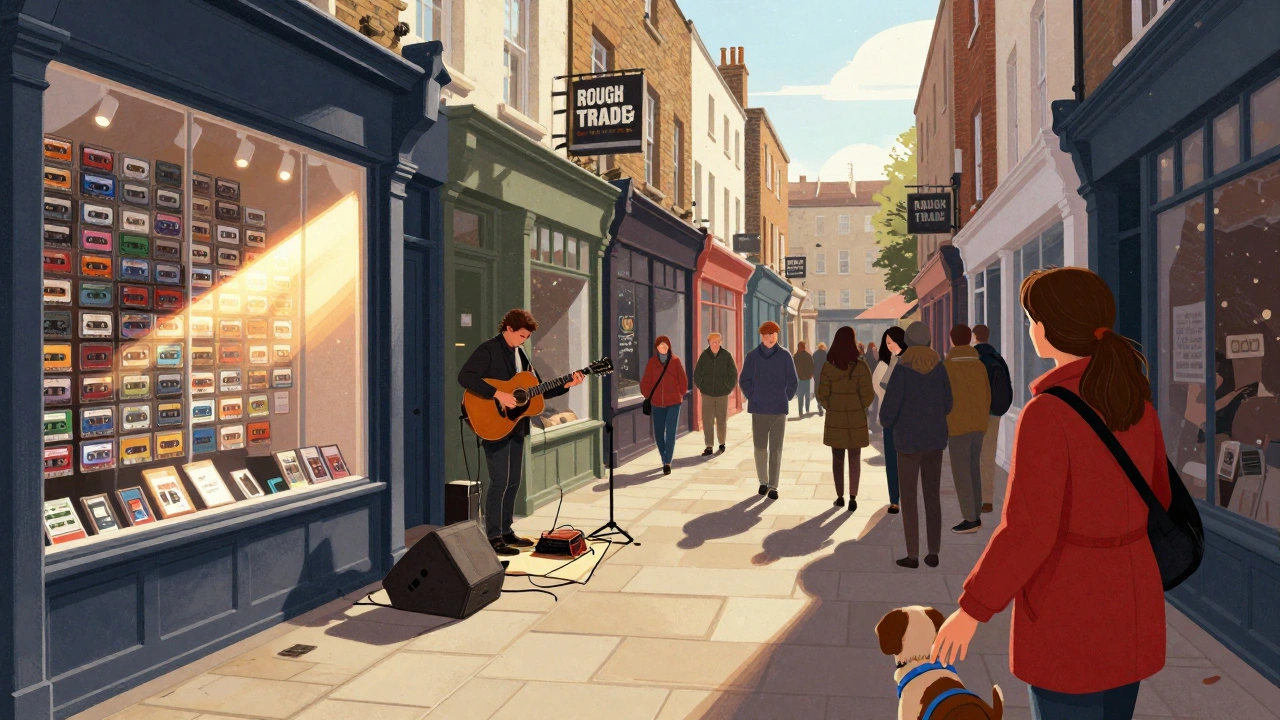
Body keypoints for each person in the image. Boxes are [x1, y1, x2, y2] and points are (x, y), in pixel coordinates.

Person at [931, 267, 1172, 720]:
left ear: (1047, 328)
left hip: (1071, 609)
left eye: (1030, 318)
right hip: (1132, 603)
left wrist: (973, 609)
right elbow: (1158, 495)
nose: (1030, 328)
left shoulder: (1047, 412)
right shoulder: (1137, 403)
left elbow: (1027, 532)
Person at [458, 308, 584, 556]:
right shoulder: (488, 349)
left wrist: (565, 385)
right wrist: (497, 393)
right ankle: (492, 535)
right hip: (493, 423)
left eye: (526, 337)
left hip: (516, 426)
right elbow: (465, 376)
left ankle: (506, 531)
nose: (524, 341)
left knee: (513, 481)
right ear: (509, 329)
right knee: (499, 482)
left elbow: (535, 393)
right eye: (522, 336)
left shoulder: (521, 355)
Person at [879, 321, 951, 568]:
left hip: (908, 442)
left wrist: (888, 422)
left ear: (908, 341)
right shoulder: (939, 368)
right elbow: (949, 403)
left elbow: (889, 408)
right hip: (934, 441)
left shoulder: (902, 369)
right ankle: (934, 552)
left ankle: (913, 555)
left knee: (908, 498)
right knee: (932, 496)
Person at [816, 327, 874, 511]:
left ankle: (839, 496)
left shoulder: (828, 366)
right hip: (856, 417)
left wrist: (831, 406)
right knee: (855, 458)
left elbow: (821, 393)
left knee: (838, 457)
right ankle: (853, 497)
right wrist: (859, 406)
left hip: (836, 419)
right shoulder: (861, 366)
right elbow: (868, 395)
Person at [739, 321, 798, 499]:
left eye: (772, 334)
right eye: (766, 335)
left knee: (776, 449)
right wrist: (753, 396)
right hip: (758, 409)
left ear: (777, 335)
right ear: (761, 337)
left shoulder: (785, 355)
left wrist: (785, 397)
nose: (770, 338)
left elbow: (793, 381)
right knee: (759, 448)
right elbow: (744, 381)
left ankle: (773, 485)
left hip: (778, 410)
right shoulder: (752, 357)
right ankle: (763, 482)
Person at [943, 324, 991, 534]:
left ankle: (970, 519)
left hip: (958, 425)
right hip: (978, 424)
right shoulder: (979, 365)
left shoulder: (948, 365)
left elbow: (944, 398)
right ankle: (976, 514)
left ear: (952, 340)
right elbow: (987, 394)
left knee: (961, 472)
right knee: (973, 469)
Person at [973, 324, 1013, 514]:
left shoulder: (974, 358)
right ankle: (987, 500)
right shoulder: (998, 358)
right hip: (994, 414)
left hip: (976, 413)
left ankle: (974, 497)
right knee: (988, 456)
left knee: (972, 456)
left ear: (974, 337)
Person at [640, 336, 688, 475]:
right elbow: (645, 382)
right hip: (657, 404)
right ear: (656, 348)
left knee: (671, 432)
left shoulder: (675, 361)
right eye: (660, 345)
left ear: (669, 347)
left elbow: (683, 380)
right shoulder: (652, 363)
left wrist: (680, 393)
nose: (663, 348)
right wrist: (648, 395)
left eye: (665, 345)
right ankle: (663, 457)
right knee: (659, 433)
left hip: (673, 402)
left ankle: (668, 462)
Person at [873, 327, 907, 514]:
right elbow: (881, 389)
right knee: (892, 462)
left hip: (906, 420)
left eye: (891, 342)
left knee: (906, 461)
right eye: (887, 343)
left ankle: (904, 497)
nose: (889, 346)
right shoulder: (888, 362)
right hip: (891, 420)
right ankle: (894, 499)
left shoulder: (907, 361)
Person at [694, 332, 737, 456]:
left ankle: (722, 443)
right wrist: (702, 387)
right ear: (709, 343)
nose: (716, 344)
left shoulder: (726, 356)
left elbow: (733, 374)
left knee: (722, 420)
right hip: (707, 394)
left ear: (721, 343)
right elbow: (697, 374)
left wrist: (728, 388)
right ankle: (709, 446)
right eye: (713, 342)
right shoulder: (704, 356)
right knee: (707, 420)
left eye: (718, 342)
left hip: (722, 394)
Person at [794, 341, 815, 415]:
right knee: (807, 395)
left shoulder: (795, 356)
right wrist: (811, 374)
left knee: (800, 396)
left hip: (799, 379)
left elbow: (793, 367)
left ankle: (800, 411)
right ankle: (807, 409)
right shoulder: (808, 356)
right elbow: (812, 366)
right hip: (807, 378)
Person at [812, 342, 829, 417]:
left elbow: (812, 364)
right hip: (824, 375)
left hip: (816, 374)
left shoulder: (815, 354)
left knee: (817, 389)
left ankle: (819, 403)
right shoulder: (826, 354)